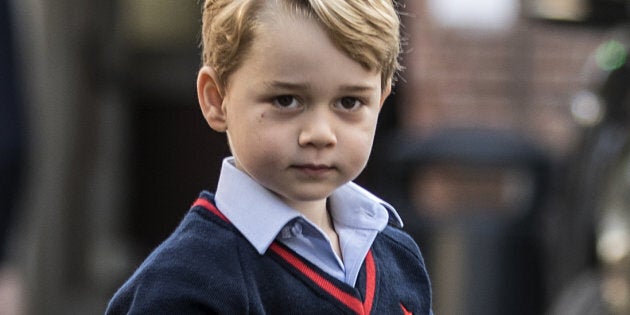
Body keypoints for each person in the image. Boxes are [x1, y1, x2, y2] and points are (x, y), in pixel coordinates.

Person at [106, 0, 432, 313]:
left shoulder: (399, 259)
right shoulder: (183, 287)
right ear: (217, 99)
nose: (319, 133)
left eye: (349, 103)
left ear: (380, 101)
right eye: (286, 100)